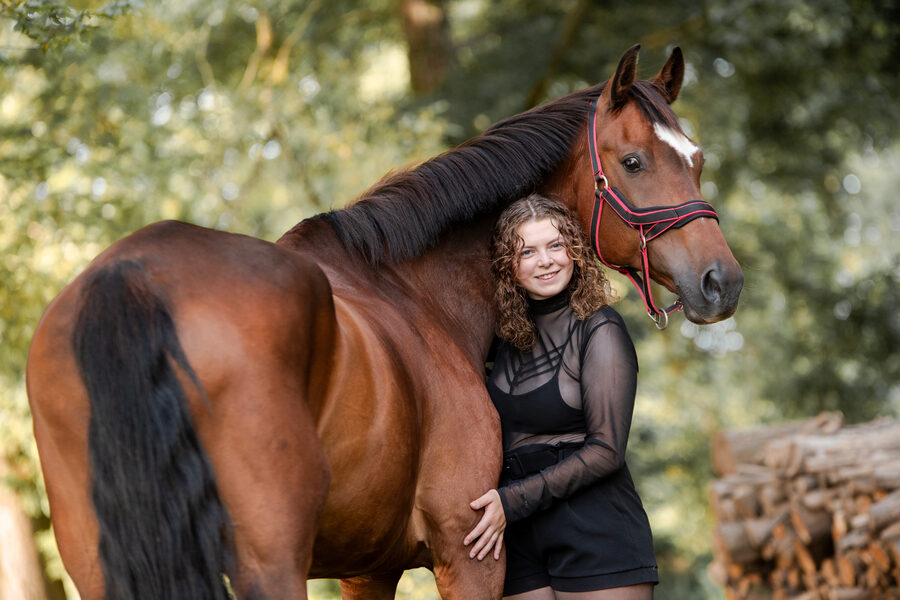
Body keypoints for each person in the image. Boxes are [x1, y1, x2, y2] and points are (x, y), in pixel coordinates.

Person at [464, 194, 658, 599]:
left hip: (595, 527)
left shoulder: (600, 329)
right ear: (509, 268)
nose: (546, 260)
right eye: (527, 251)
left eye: (555, 245)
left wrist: (510, 502)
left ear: (574, 251)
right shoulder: (497, 344)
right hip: (517, 539)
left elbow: (606, 450)